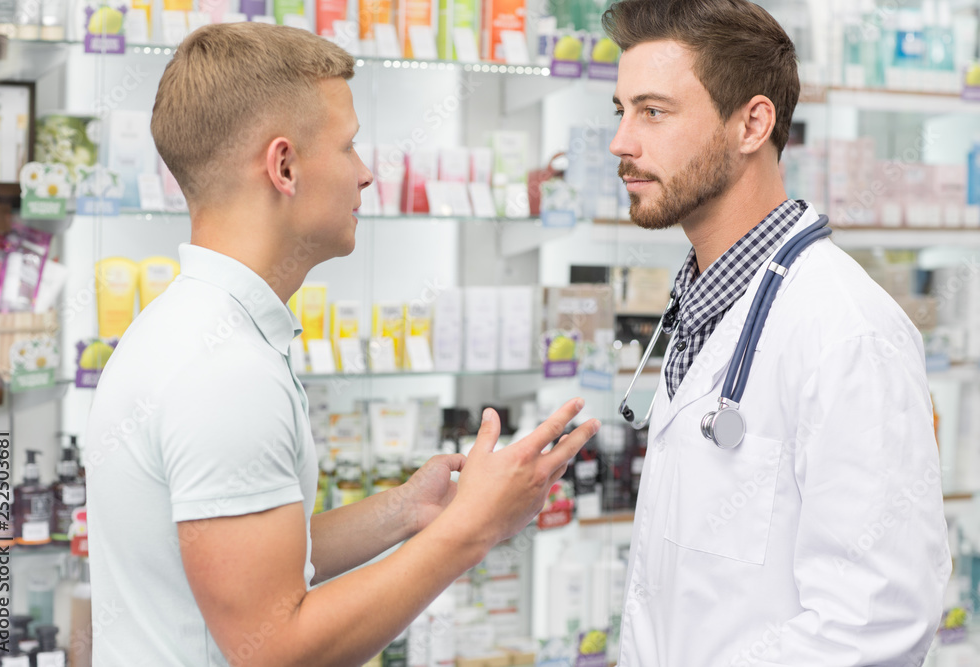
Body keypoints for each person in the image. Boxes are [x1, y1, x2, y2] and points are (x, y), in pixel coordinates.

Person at [84, 22, 600, 665]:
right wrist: (473, 530)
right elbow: (276, 651)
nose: (366, 175)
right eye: (350, 147)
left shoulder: (193, 328)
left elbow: (254, 559)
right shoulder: (224, 375)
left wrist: (404, 511)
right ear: (284, 166)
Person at [603, 1, 950, 665]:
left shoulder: (847, 330)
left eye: (652, 111)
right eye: (619, 111)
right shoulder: (706, 301)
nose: (621, 142)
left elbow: (876, 618)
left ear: (752, 124)